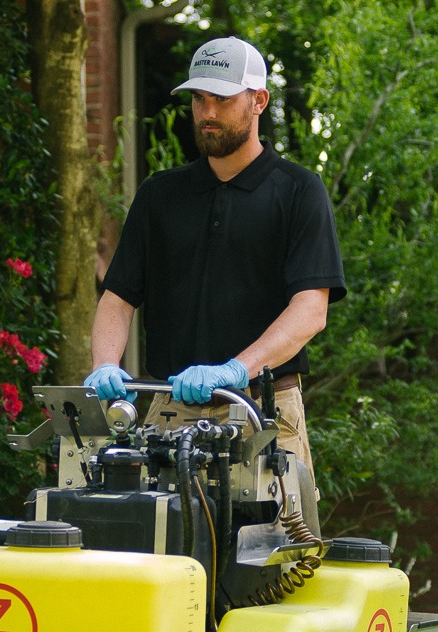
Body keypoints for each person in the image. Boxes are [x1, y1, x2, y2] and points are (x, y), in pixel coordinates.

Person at [85, 36, 346, 482]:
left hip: (264, 410)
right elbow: (118, 298)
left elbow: (310, 311)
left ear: (259, 100)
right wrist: (105, 366)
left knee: (265, 549)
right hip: (168, 409)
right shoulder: (159, 195)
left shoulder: (300, 191)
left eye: (222, 99)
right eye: (199, 99)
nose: (207, 113)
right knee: (160, 545)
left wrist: (235, 370)